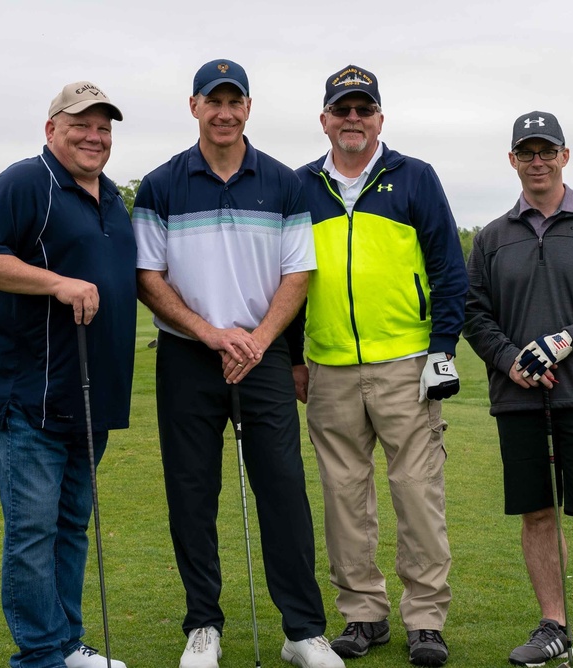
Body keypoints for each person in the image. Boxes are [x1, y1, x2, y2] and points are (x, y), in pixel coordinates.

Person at [132, 59, 344, 668]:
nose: (224, 112)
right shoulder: (161, 184)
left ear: (248, 108)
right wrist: (210, 334)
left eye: (235, 101)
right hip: (187, 357)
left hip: (264, 356)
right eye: (212, 100)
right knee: (192, 493)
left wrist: (254, 340)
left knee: (282, 490)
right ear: (194, 106)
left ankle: (302, 631)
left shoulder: (283, 183)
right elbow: (148, 276)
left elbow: (298, 273)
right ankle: (203, 625)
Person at [0, 82, 136, 668]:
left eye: (104, 126)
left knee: (70, 528)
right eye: (80, 123)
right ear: (51, 127)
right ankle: (39, 655)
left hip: (89, 396)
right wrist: (56, 282)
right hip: (28, 393)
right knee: (33, 534)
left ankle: (66, 644)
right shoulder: (25, 181)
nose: (94, 135)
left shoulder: (111, 197)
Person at [293, 65, 468, 667]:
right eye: (342, 110)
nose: (352, 119)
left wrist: (441, 349)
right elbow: (286, 281)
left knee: (416, 492)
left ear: (379, 119)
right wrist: (295, 356)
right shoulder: (301, 186)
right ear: (324, 120)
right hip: (330, 367)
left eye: (363, 109)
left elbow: (450, 270)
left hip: (406, 363)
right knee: (344, 496)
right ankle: (363, 615)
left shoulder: (415, 177)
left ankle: (426, 620)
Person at [463, 111, 573, 668]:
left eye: (547, 151)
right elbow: (475, 312)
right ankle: (554, 627)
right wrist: (509, 358)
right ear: (513, 160)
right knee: (537, 514)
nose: (537, 161)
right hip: (518, 398)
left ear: (565, 156)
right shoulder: (492, 237)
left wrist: (566, 340)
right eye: (527, 152)